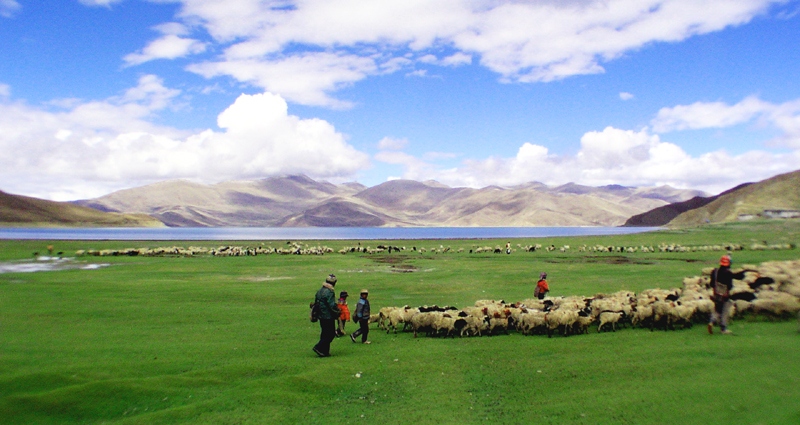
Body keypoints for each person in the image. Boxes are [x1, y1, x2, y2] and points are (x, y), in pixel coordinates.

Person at [312, 274, 340, 357]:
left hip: (320, 315)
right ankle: (318, 347)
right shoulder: (330, 292)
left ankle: (325, 352)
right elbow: (331, 305)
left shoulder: (320, 290)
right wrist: (338, 311)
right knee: (330, 334)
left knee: (324, 333)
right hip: (328, 316)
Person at [708, 255, 735, 335]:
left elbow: (712, 284)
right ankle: (723, 329)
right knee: (724, 311)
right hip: (724, 295)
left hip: (716, 294)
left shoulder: (715, 271)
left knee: (717, 309)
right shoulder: (728, 273)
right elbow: (729, 286)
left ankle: (711, 321)